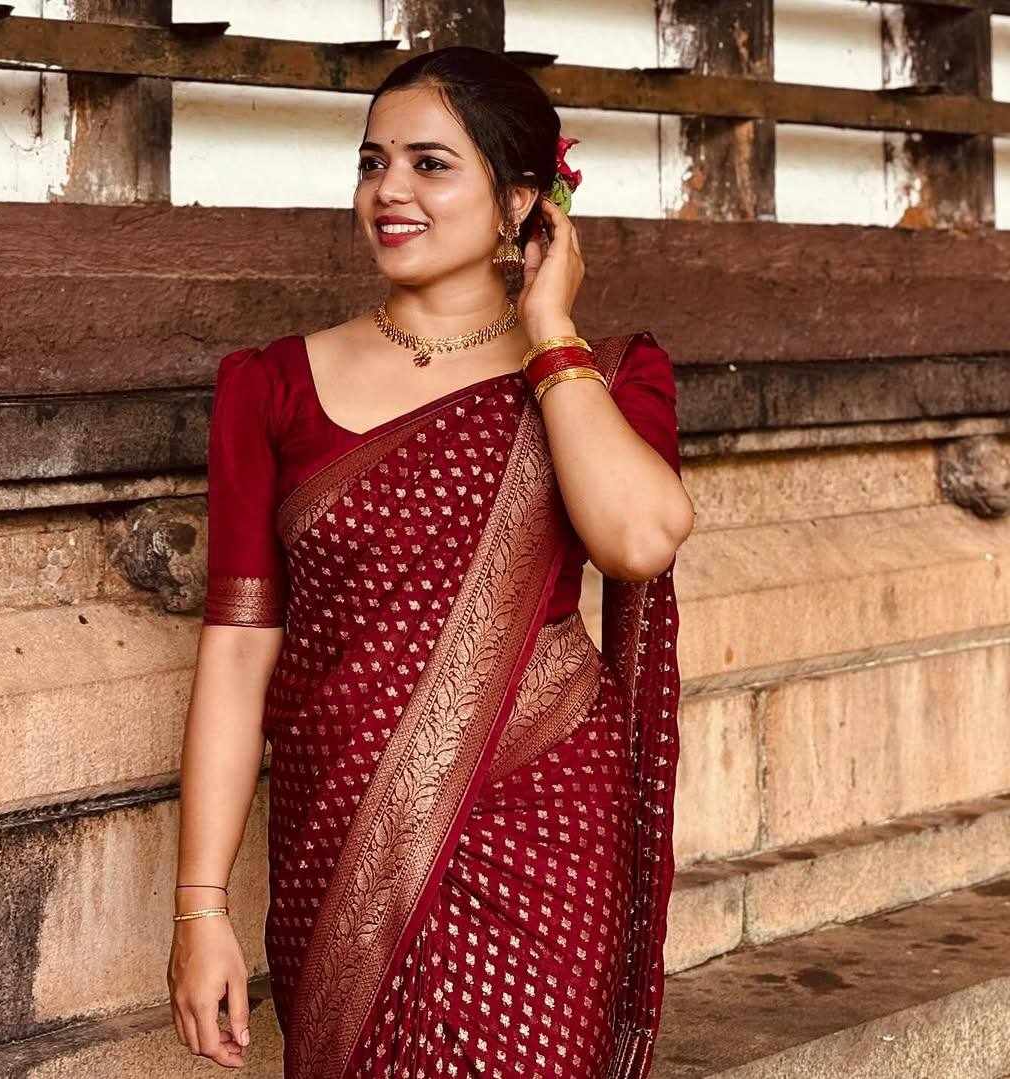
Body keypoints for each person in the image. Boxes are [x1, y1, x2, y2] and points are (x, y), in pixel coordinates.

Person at [166, 44, 695, 1079]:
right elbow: (236, 650)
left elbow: (638, 538)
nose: (389, 191)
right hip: (343, 844)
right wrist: (200, 906)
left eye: (430, 164)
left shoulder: (606, 378)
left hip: (541, 830)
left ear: (521, 203)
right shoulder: (272, 386)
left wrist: (550, 335)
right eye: (373, 163)